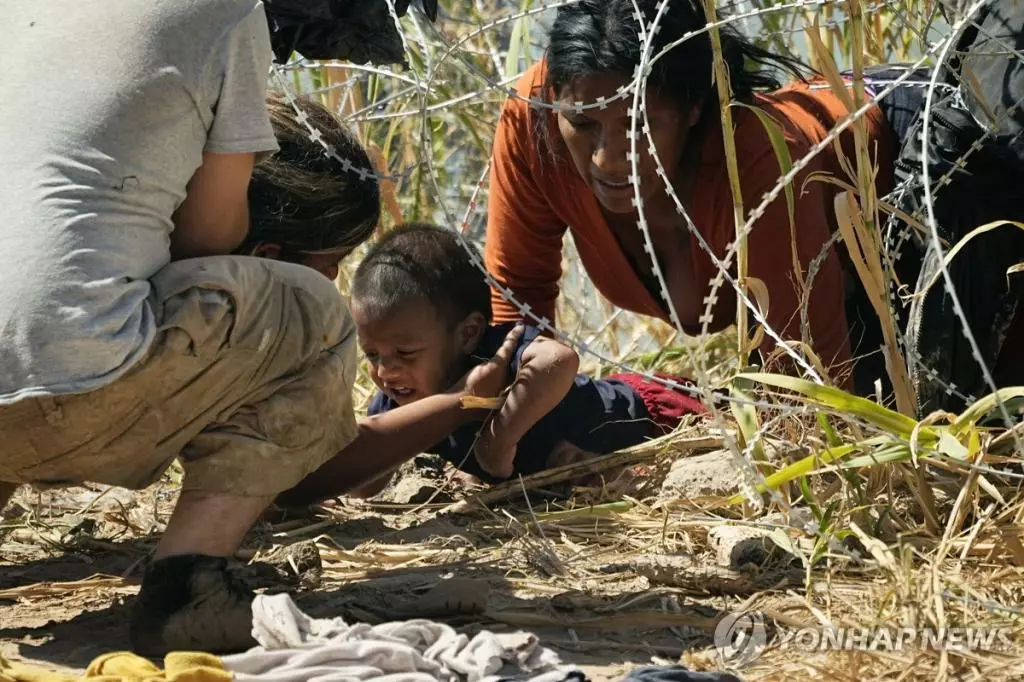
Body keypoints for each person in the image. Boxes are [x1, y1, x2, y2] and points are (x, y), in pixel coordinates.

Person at [0, 4, 519, 657]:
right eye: (330, 267)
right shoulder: (228, 12)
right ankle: (187, 590)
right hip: (76, 391)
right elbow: (207, 240)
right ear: (269, 256)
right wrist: (467, 402)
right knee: (311, 316)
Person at [483, 0, 1024, 415]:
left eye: (640, 127)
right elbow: (516, 302)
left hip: (932, 176)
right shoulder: (536, 118)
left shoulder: (756, 167)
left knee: (979, 412)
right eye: (583, 126)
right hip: (827, 267)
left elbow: (815, 397)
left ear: (693, 108)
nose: (607, 159)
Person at [281, 223, 705, 500]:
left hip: (652, 415)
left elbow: (559, 359)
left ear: (467, 333)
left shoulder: (496, 352)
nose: (385, 371)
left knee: (747, 414)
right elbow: (365, 478)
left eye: (404, 354)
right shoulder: (398, 398)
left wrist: (499, 438)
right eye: (372, 355)